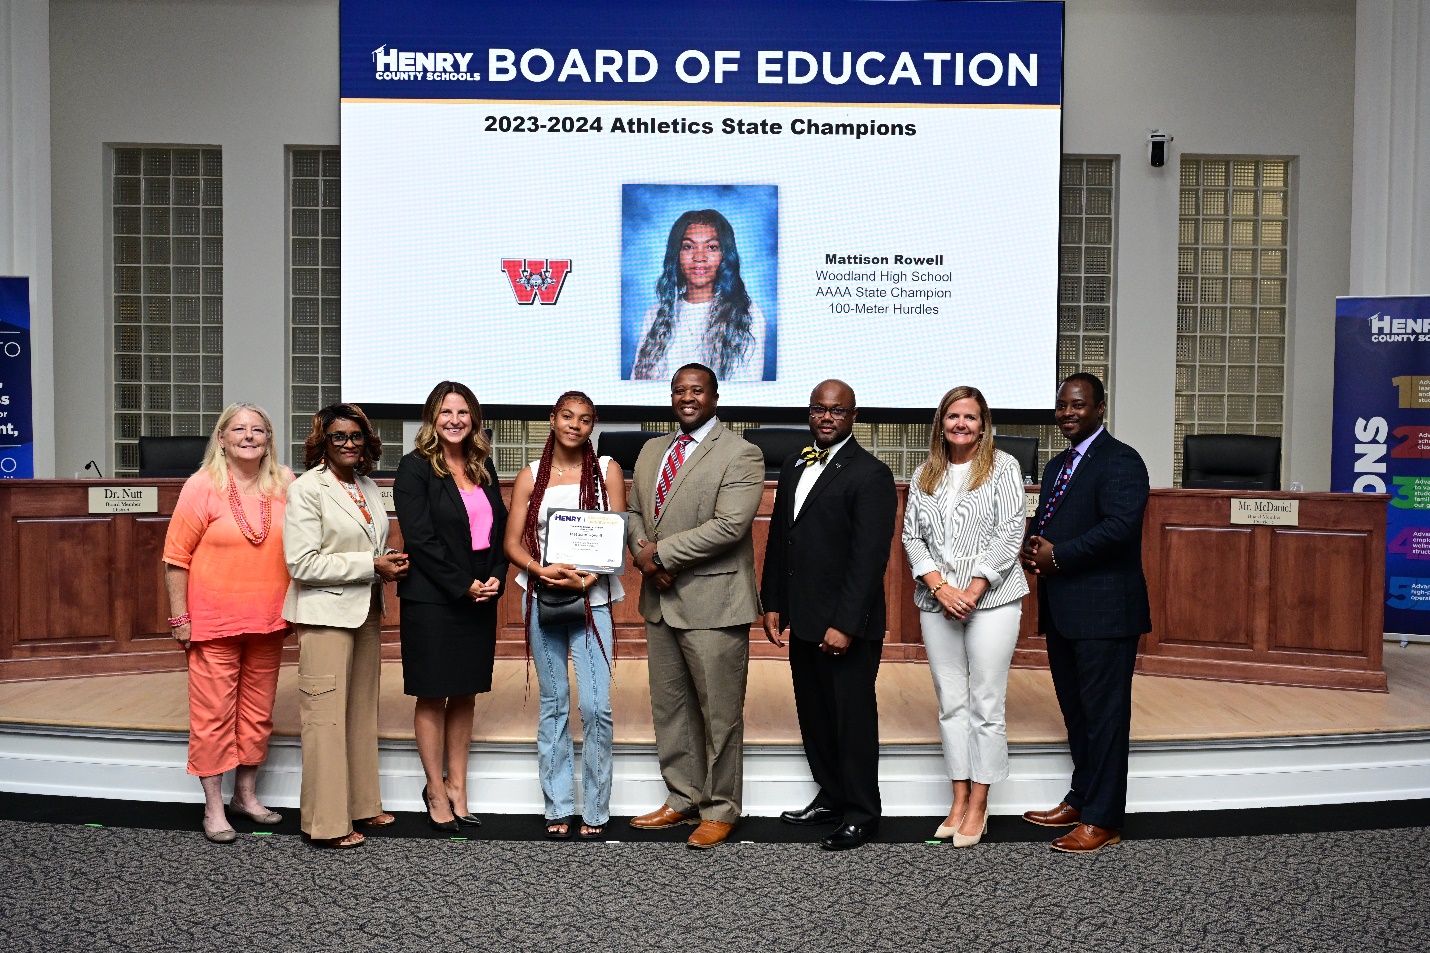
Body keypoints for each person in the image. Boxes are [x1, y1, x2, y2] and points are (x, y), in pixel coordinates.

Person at [626, 363, 765, 848]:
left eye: (697, 390)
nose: (688, 397)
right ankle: (682, 797)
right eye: (679, 390)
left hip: (714, 602)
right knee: (672, 708)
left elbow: (730, 525)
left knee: (719, 714)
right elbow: (635, 511)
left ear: (715, 396)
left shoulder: (741, 453)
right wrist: (645, 555)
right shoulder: (650, 450)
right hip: (660, 600)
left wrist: (659, 555)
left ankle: (722, 807)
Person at [761, 380, 897, 851]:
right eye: (819, 409)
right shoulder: (797, 462)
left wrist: (845, 624)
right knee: (815, 714)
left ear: (853, 416)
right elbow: (783, 537)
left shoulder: (871, 474)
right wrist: (773, 600)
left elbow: (868, 560)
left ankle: (862, 812)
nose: (826, 417)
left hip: (846, 625)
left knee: (851, 720)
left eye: (837, 411)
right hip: (803, 615)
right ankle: (832, 795)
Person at [1020, 372, 1150, 854]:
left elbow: (1119, 528)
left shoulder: (1122, 460)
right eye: (1061, 406)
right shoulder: (1058, 466)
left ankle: (1103, 818)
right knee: (1078, 714)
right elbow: (1052, 519)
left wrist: (1060, 556)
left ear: (1100, 408)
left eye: (1078, 405)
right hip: (1064, 610)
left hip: (1105, 613)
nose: (1067, 413)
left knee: (1106, 717)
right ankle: (1081, 798)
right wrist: (1033, 547)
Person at [902, 386, 1030, 848]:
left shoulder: (1004, 468)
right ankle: (957, 798)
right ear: (941, 422)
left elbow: (1010, 530)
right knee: (951, 703)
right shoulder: (924, 475)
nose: (961, 424)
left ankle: (980, 802)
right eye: (953, 416)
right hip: (938, 603)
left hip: (992, 600)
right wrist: (941, 587)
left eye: (970, 417)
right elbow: (911, 538)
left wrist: (973, 589)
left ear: (983, 424)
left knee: (986, 705)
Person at [162, 402, 293, 843]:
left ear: (268, 439)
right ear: (221, 438)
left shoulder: (286, 483)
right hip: (211, 623)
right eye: (239, 429)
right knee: (213, 717)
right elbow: (175, 560)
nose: (249, 436)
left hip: (269, 621)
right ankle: (214, 808)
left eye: (259, 429)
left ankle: (246, 797)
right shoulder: (201, 487)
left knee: (257, 715)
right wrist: (180, 618)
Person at [283, 403, 409, 848]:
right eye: (339, 436)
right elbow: (301, 563)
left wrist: (387, 563)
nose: (349, 443)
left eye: (356, 436)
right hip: (324, 617)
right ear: (322, 441)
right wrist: (371, 564)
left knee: (359, 714)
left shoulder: (368, 486)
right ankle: (326, 823)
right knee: (324, 719)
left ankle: (361, 805)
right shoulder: (306, 489)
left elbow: (370, 545)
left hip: (365, 611)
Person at [504, 391, 625, 840]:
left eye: (585, 419)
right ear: (552, 420)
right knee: (553, 705)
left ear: (592, 426)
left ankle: (595, 809)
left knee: (596, 706)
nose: (575, 425)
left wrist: (590, 578)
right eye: (567, 416)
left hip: (592, 600)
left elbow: (616, 531)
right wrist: (538, 569)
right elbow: (512, 541)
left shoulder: (607, 470)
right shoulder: (530, 475)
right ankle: (558, 803)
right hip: (542, 596)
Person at [393, 382, 507, 833]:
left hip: (481, 593)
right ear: (432, 418)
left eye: (462, 412)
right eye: (445, 412)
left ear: (473, 418)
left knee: (465, 692)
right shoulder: (414, 468)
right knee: (433, 691)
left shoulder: (483, 466)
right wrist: (464, 586)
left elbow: (498, 527)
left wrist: (495, 575)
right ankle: (434, 789)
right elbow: (420, 539)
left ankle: (458, 786)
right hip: (434, 599)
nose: (454, 420)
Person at [630, 209, 768, 382]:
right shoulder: (654, 314)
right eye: (688, 247)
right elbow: (637, 386)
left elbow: (746, 396)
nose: (699, 257)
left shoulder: (748, 315)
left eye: (711, 247)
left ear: (725, 255)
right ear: (677, 255)